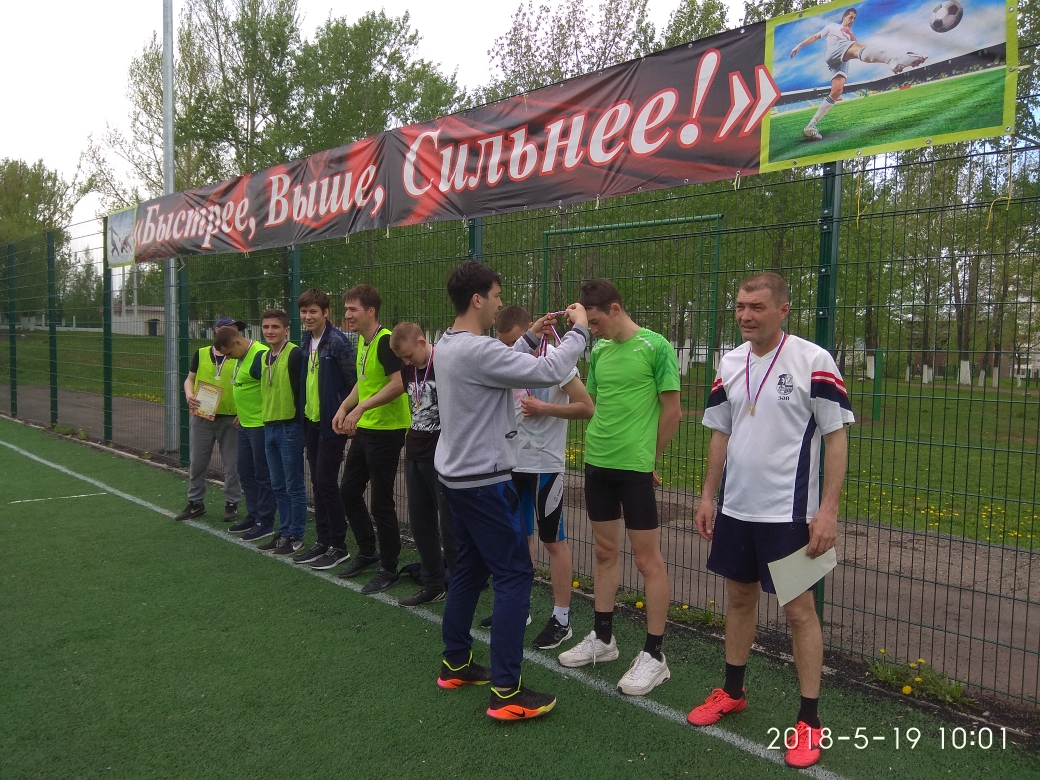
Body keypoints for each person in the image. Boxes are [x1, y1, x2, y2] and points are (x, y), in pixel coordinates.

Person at [686, 273, 854, 770]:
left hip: (791, 515)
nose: (745, 315)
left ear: (783, 310)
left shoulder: (813, 360)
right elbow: (720, 433)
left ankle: (809, 720)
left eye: (756, 307)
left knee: (799, 612)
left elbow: (836, 438)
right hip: (737, 510)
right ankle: (732, 692)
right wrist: (708, 496)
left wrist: (828, 511)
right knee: (739, 600)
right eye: (740, 306)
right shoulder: (729, 363)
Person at [434, 260, 590, 722]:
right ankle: (505, 690)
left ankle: (455, 662)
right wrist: (580, 330)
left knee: (470, 568)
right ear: (477, 299)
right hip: (483, 481)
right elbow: (549, 368)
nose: (500, 302)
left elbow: (496, 367)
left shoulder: (449, 344)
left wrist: (527, 337)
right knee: (515, 574)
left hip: (457, 478)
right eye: (497, 295)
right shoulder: (478, 350)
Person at [557, 279, 682, 698]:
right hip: (597, 464)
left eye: (594, 322)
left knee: (648, 561)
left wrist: (650, 459)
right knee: (604, 552)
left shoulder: (656, 346)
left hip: (634, 469)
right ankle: (604, 639)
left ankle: (654, 655)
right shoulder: (601, 351)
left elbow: (673, 412)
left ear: (614, 309)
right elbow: (590, 404)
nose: (592, 329)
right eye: (588, 324)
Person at [495, 305, 594, 650]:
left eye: (515, 341)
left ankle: (562, 619)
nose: (512, 350)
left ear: (531, 330)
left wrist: (545, 408)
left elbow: (587, 406)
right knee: (518, 538)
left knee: (553, 542)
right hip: (513, 465)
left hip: (545, 467)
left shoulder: (556, 360)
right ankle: (519, 608)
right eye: (505, 344)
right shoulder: (507, 361)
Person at [330, 284, 410, 592]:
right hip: (368, 428)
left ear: (371, 311)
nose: (348, 315)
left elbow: (398, 384)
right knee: (349, 490)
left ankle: (389, 566)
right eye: (346, 309)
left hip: (387, 431)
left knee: (381, 502)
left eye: (353, 309)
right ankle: (367, 551)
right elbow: (364, 383)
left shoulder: (386, 340)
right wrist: (344, 407)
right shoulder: (364, 341)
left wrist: (361, 408)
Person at [388, 322, 456, 607]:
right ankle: (432, 584)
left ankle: (461, 584)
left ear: (421, 341)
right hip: (414, 453)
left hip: (442, 458)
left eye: (409, 356)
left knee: (450, 527)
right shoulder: (408, 369)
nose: (406, 362)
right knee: (421, 524)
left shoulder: (446, 365)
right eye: (401, 359)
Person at [291, 289, 359, 569]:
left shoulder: (338, 342)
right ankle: (323, 540)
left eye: (313, 311)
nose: (308, 317)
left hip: (333, 424)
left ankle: (338, 545)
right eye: (304, 312)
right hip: (311, 420)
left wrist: (346, 413)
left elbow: (354, 382)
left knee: (326, 481)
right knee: (318, 483)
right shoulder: (306, 340)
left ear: (326, 313)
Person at [790, 7, 926, 140]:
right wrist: (799, 45)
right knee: (860, 48)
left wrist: (850, 34)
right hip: (834, 50)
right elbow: (816, 36)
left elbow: (857, 46)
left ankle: (810, 126)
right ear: (843, 17)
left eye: (854, 18)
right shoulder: (833, 27)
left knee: (837, 91)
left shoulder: (849, 34)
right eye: (850, 17)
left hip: (841, 59)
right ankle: (892, 60)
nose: (852, 20)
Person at [176, 316, 243, 523]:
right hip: (203, 415)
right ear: (217, 331)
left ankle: (232, 503)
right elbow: (190, 379)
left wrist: (243, 411)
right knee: (197, 461)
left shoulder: (241, 355)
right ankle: (195, 502)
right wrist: (189, 395)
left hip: (231, 418)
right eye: (229, 328)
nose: (233, 332)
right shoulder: (202, 353)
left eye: (236, 329)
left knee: (232, 465)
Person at [212, 325, 276, 543]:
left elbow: (270, 390)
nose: (229, 358)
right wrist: (241, 411)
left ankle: (265, 522)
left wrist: (263, 416)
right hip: (245, 423)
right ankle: (254, 514)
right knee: (245, 471)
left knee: (262, 474)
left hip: (260, 425)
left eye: (229, 353)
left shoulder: (259, 356)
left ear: (237, 342)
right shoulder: (241, 356)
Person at [257, 309, 308, 551]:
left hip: (290, 427)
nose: (270, 331)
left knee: (293, 484)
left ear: (286, 329)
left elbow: (302, 391)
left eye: (275, 327)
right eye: (266, 327)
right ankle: (284, 532)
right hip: (269, 426)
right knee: (277, 484)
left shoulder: (295, 354)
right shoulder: (264, 356)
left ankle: (296, 535)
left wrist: (299, 424)